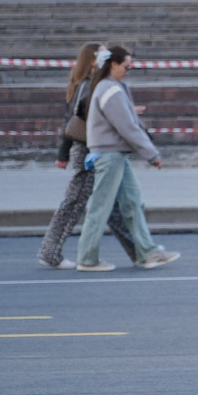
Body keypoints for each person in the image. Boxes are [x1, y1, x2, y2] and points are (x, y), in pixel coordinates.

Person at [71, 46, 181, 272]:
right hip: (110, 154)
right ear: (113, 65)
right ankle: (88, 259)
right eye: (126, 66)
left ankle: (147, 253)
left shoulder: (107, 87)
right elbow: (128, 128)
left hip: (114, 153)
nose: (128, 70)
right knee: (101, 208)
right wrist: (151, 154)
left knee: (132, 203)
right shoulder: (110, 90)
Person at [39, 44, 142, 269]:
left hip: (92, 149)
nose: (106, 58)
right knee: (75, 203)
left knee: (111, 204)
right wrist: (63, 153)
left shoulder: (88, 83)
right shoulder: (88, 85)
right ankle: (50, 252)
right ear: (93, 60)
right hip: (88, 150)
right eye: (102, 54)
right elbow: (79, 119)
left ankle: (139, 251)